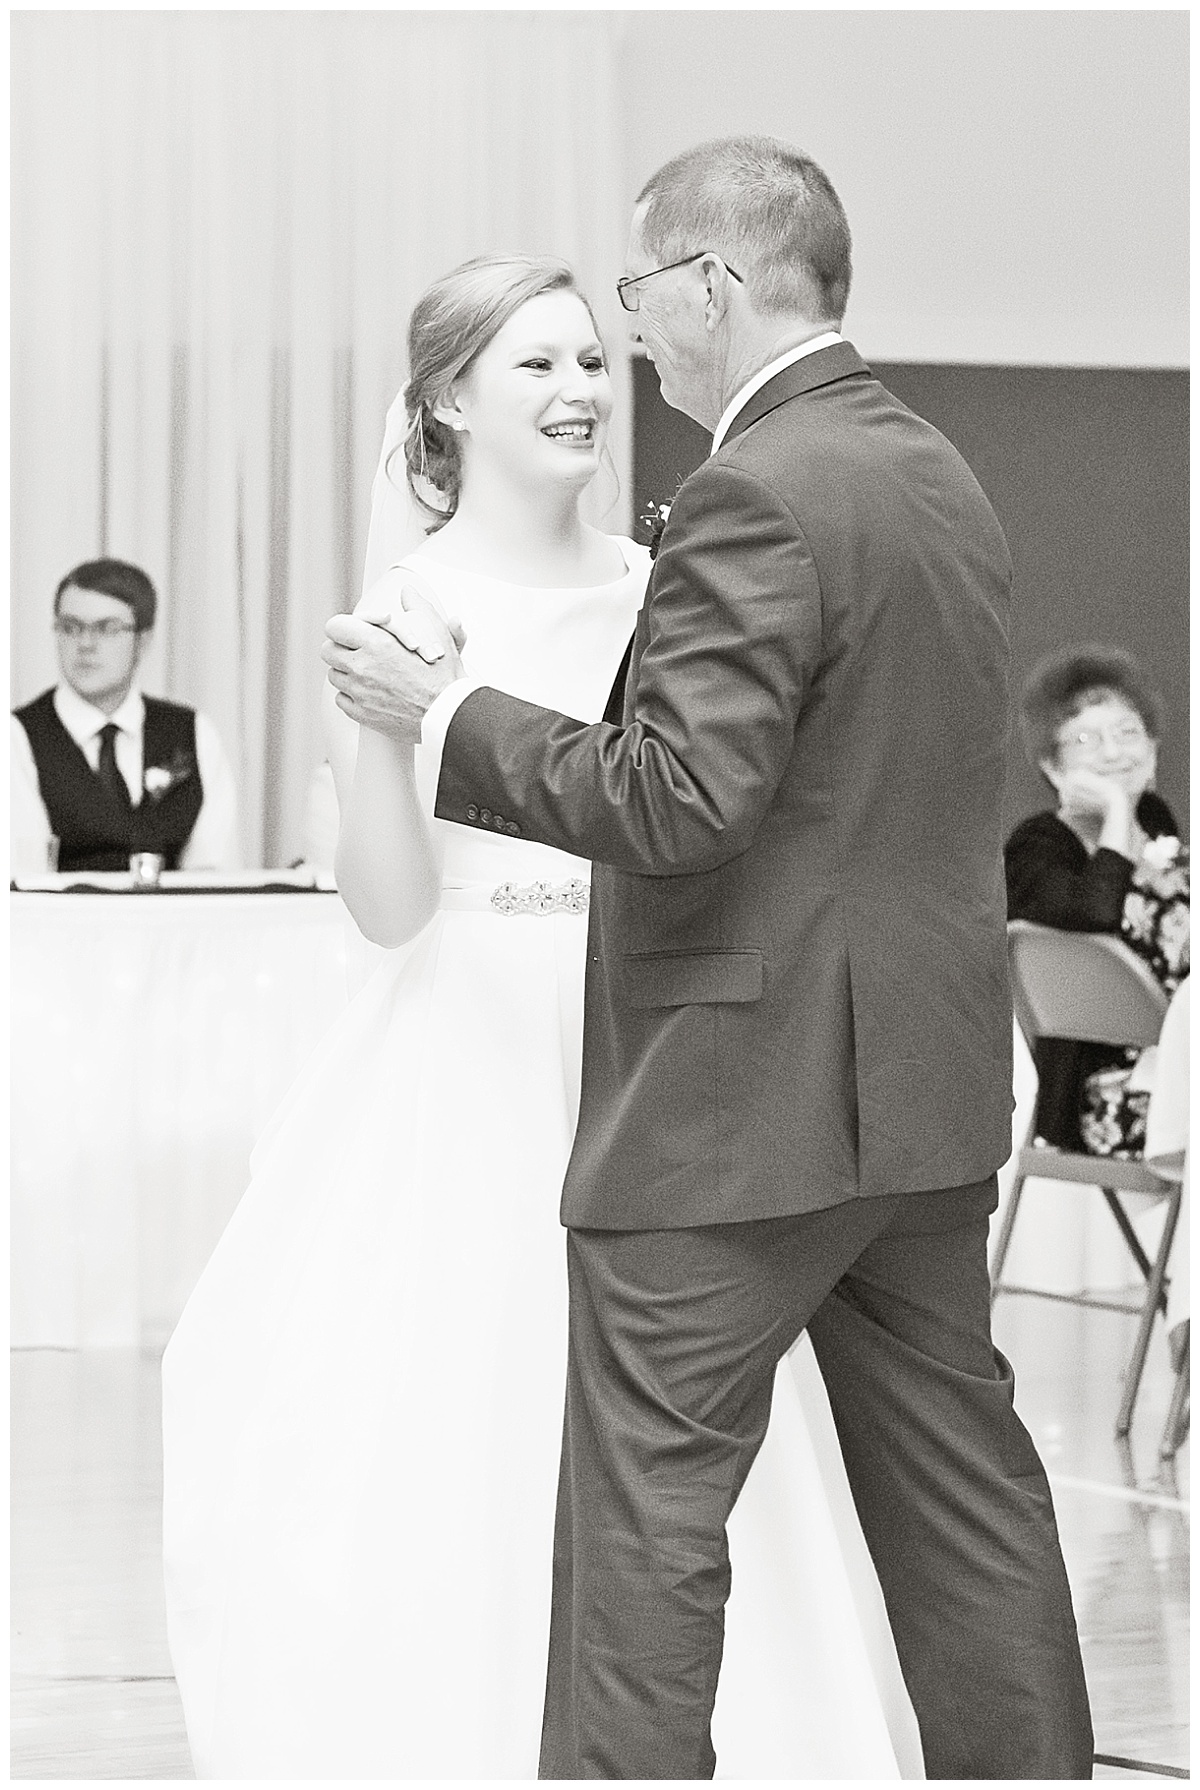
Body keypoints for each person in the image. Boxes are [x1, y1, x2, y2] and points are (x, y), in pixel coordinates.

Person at [324, 139, 1094, 1779]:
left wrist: (443, 715)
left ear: (716, 282)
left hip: (737, 1118)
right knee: (972, 1519)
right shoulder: (934, 469)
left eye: (636, 294)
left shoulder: (753, 488)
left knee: (646, 1546)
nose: (631, 335)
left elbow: (684, 801)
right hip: (926, 1103)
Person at [162, 252, 926, 1779]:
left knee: (679, 1453)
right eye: (537, 366)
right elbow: (385, 906)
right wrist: (395, 726)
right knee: (447, 1425)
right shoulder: (406, 607)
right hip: (462, 1060)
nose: (584, 390)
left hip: (654, 1063)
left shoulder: (668, 589)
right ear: (448, 398)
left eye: (592, 359)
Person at [1005, 644, 1188, 1156]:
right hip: (1106, 1091)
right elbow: (1095, 919)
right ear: (1052, 765)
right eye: (1087, 739)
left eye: (1128, 733)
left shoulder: (1155, 822)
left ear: (1152, 750)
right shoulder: (1038, 845)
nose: (1113, 753)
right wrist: (1112, 812)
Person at [11, 558, 240, 874]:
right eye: (70, 627)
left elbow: (212, 868)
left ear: (143, 640)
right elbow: (23, 876)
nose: (85, 644)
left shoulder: (191, 730)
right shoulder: (16, 735)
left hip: (177, 919)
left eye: (107, 628)